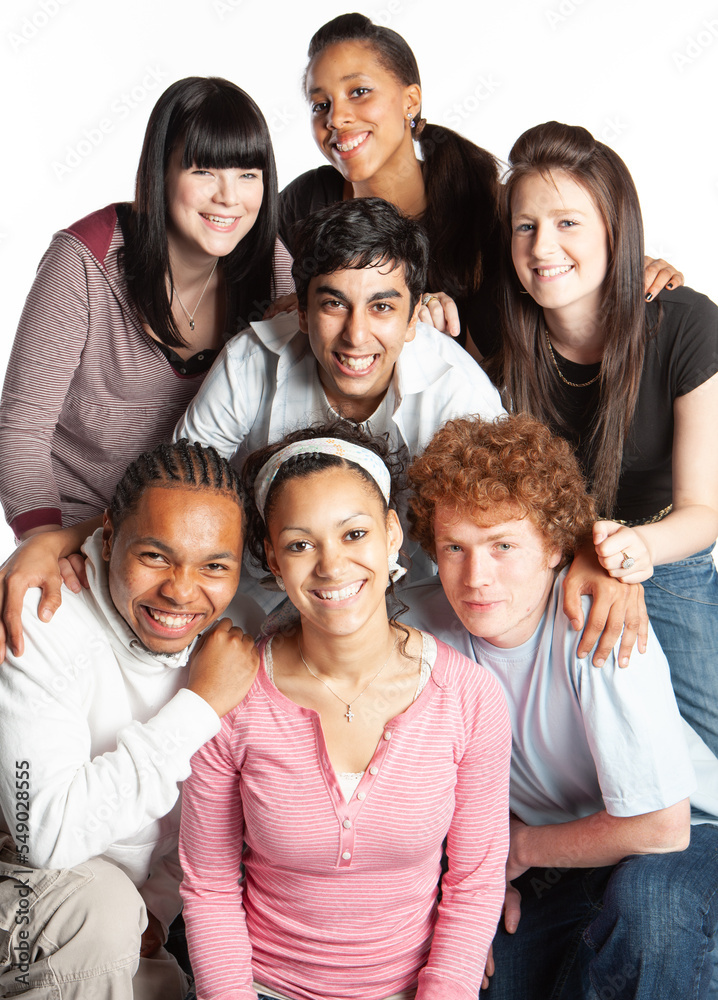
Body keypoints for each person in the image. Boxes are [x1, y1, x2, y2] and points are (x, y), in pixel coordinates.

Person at [0, 198, 645, 669]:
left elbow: (522, 511)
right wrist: (63, 536)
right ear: (300, 309)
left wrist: (598, 557)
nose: (356, 335)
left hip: (413, 603)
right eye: (333, 303)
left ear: (417, 317)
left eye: (383, 307)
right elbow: (178, 498)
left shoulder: (455, 390)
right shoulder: (252, 361)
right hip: (263, 592)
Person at [178, 422, 512, 1000]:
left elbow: (475, 884)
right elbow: (207, 885)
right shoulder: (232, 695)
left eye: (354, 533)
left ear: (391, 535)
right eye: (301, 544)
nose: (331, 566)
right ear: (273, 560)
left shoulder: (469, 699)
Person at [403, 414, 718, 999]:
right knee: (488, 961)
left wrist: (516, 848)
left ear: (554, 546)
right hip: (566, 859)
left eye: (503, 546)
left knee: (652, 903)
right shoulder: (420, 628)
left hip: (692, 837)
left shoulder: (599, 618)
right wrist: (475, 871)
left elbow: (661, 827)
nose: (476, 578)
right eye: (454, 548)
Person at [0, 439, 259, 998]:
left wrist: (160, 908)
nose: (181, 591)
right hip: (22, 887)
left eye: (215, 566)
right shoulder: (41, 614)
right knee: (102, 908)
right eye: (155, 556)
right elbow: (43, 836)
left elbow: (204, 814)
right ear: (109, 537)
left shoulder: (236, 636)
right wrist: (200, 706)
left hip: (129, 922)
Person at [491, 120, 718, 756]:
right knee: (569, 751)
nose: (543, 247)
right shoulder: (496, 332)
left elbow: (704, 512)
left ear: (615, 230)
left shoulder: (685, 324)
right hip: (547, 564)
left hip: (662, 555)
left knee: (707, 758)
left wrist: (626, 551)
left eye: (568, 223)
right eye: (526, 226)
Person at [275, 12, 684, 350]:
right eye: (321, 104)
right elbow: (243, 264)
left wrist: (629, 265)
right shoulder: (308, 199)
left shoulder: (487, 205)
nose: (336, 118)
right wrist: (295, 302)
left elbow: (564, 260)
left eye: (359, 91)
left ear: (410, 101)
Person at [0, 75, 292, 541]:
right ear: (160, 172)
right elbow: (20, 434)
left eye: (247, 175)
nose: (229, 197)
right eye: (203, 171)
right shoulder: (84, 262)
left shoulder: (274, 266)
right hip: (80, 531)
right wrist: (43, 542)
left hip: (205, 534)